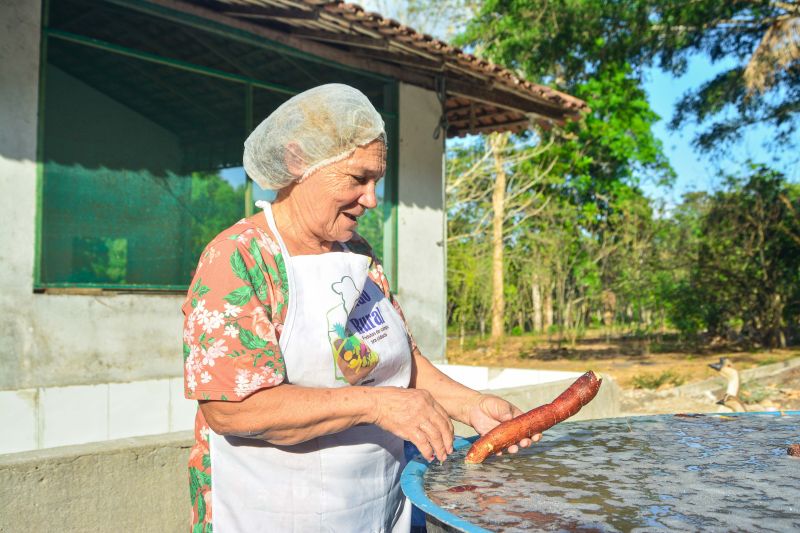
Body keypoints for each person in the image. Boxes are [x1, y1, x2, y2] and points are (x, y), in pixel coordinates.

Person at [182, 83, 537, 532]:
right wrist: (376, 406)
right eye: (357, 179)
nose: (371, 199)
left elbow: (400, 363)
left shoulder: (358, 253)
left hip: (379, 508)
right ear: (298, 162)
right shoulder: (240, 258)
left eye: (376, 182)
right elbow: (233, 409)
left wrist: (473, 407)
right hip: (272, 514)